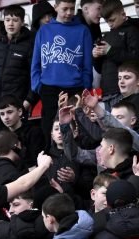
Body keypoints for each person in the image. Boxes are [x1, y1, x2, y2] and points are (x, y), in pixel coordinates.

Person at [32, 0, 93, 138]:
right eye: (65, 9)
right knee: (49, 129)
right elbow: (36, 61)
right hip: (48, 88)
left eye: (72, 8)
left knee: (76, 128)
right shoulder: (44, 30)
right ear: (55, 7)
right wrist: (37, 86)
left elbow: (87, 64)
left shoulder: (83, 30)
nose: (69, 13)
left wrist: (85, 86)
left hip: (75, 88)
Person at [0, 6, 36, 111]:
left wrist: (28, 100)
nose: (11, 24)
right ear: (4, 21)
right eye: (7, 20)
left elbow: (34, 76)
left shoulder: (29, 45)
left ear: (22, 22)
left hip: (15, 106)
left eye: (15, 20)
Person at [96, 0, 139, 100]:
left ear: (123, 14)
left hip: (123, 89)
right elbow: (99, 67)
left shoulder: (132, 31)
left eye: (112, 20)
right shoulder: (106, 36)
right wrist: (95, 56)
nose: (109, 24)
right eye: (107, 21)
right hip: (106, 90)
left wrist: (110, 51)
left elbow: (135, 58)